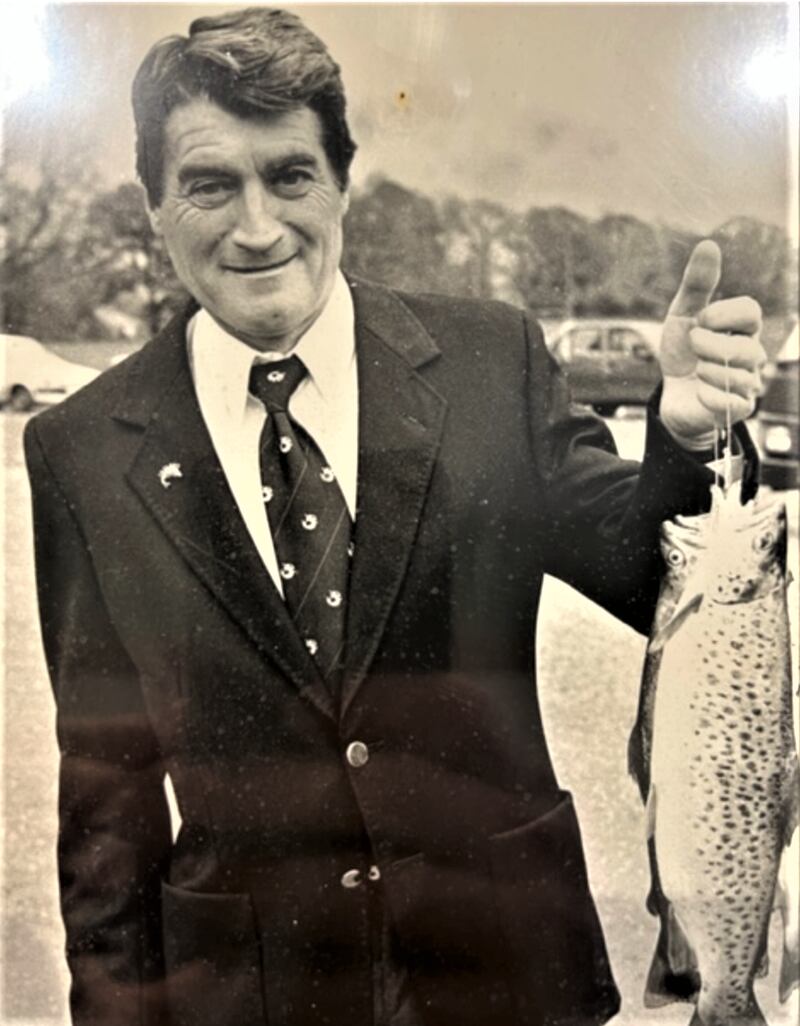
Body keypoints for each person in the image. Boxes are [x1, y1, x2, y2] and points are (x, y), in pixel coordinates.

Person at [24, 8, 766, 1026]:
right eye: (208, 184)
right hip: (249, 996)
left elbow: (658, 585)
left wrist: (691, 438)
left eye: (288, 175)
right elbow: (104, 807)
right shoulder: (78, 446)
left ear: (339, 182)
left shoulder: (486, 363)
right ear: (154, 203)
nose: (255, 227)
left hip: (506, 975)